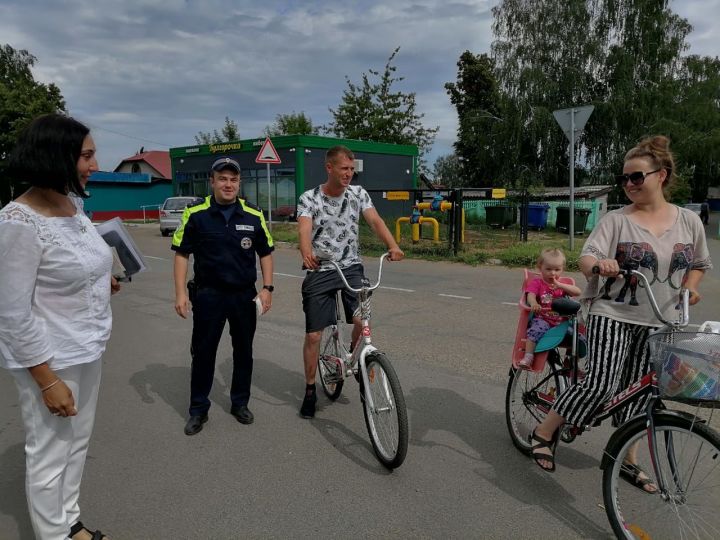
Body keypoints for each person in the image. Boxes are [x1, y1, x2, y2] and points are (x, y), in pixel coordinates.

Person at [530, 136, 711, 486]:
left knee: (641, 392)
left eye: (636, 177)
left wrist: (691, 285)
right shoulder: (616, 220)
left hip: (663, 320)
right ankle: (543, 431)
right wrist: (600, 266)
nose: (628, 185)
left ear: (661, 175)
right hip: (612, 314)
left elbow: (700, 263)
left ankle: (626, 457)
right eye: (624, 179)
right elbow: (586, 257)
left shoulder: (689, 221)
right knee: (600, 384)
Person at [0, 114, 120, 540]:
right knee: (50, 455)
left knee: (76, 445)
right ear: (58, 157)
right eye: (86, 155)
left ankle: (70, 523)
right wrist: (47, 381)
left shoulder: (73, 205)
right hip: (51, 360)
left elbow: (77, 262)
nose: (94, 163)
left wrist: (100, 279)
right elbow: (12, 314)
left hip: (88, 348)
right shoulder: (18, 221)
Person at [297, 145, 404, 419]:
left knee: (361, 321)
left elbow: (375, 221)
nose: (348, 174)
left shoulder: (358, 194)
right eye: (344, 169)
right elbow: (305, 226)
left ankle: (357, 360)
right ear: (329, 168)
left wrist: (393, 245)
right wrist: (306, 250)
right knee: (314, 335)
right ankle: (310, 389)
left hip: (351, 267)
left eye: (351, 169)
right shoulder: (310, 198)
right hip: (321, 269)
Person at [172, 157, 274, 436]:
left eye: (233, 179)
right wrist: (181, 293)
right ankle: (198, 410)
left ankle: (240, 403)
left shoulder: (253, 214)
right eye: (223, 179)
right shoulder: (195, 213)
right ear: (213, 181)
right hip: (208, 295)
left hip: (243, 296)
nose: (228, 184)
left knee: (244, 353)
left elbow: (265, 253)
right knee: (203, 353)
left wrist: (267, 288)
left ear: (238, 183)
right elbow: (182, 254)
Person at [518, 248, 581, 370]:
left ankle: (570, 361)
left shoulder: (562, 285)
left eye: (557, 270)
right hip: (543, 318)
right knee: (535, 330)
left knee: (578, 337)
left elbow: (577, 292)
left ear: (562, 269)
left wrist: (560, 285)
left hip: (560, 322)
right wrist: (534, 303)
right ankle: (528, 356)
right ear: (540, 267)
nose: (553, 273)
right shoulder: (537, 282)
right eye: (548, 269)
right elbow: (530, 295)